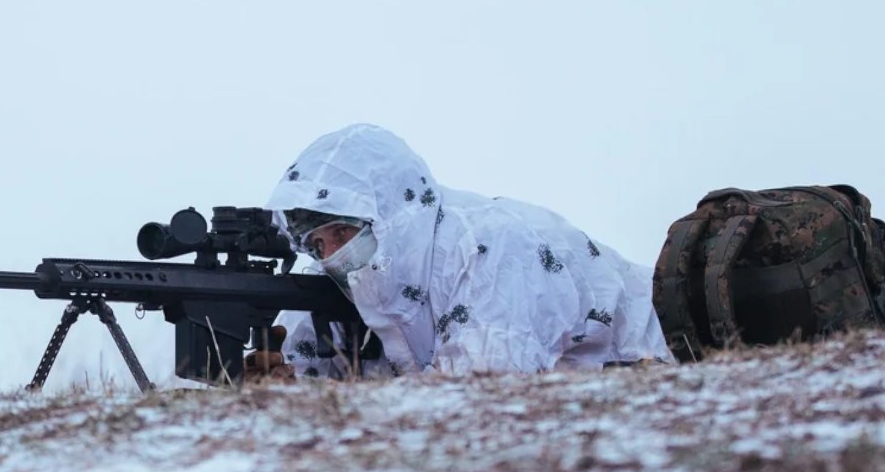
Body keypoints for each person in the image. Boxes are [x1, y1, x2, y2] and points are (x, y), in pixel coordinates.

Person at [243, 123, 674, 382]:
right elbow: (302, 385)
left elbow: (482, 391)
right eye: (318, 243)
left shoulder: (487, 246)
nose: (333, 254)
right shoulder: (330, 288)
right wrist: (279, 392)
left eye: (342, 230)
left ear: (390, 214)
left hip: (672, 360)